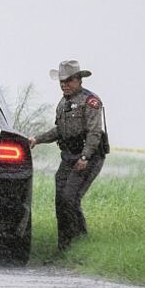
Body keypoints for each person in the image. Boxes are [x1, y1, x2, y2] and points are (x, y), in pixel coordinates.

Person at [29, 60, 108, 251]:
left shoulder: (90, 101)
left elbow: (94, 133)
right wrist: (37, 140)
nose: (64, 84)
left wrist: (85, 157)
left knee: (70, 198)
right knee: (60, 200)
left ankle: (81, 241)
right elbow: (60, 130)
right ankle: (64, 247)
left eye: (68, 80)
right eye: (61, 81)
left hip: (87, 157)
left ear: (79, 79)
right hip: (68, 156)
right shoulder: (63, 102)